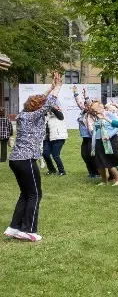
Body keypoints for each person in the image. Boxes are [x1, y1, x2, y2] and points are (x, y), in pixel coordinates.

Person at [5, 74, 60, 242]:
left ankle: (14, 228)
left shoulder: (24, 114)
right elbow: (48, 103)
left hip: (16, 159)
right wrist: (58, 86)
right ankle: (29, 230)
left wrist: (50, 88)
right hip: (26, 159)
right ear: (38, 108)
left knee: (25, 193)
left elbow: (42, 101)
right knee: (35, 194)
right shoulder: (34, 115)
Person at [88, 99, 118, 187]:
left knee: (109, 161)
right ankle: (104, 181)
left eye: (94, 109)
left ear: (101, 106)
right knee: (99, 161)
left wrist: (109, 135)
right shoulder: (97, 116)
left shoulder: (110, 114)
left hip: (109, 140)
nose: (93, 111)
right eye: (92, 109)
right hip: (99, 141)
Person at [72, 87, 100, 179]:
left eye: (87, 105)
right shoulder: (83, 112)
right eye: (84, 104)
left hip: (92, 136)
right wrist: (76, 93)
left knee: (91, 155)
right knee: (84, 155)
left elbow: (88, 104)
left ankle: (97, 173)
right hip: (85, 137)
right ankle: (91, 172)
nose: (84, 105)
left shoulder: (92, 113)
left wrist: (85, 95)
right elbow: (79, 103)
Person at [42, 102, 68, 176]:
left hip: (58, 138)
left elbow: (55, 111)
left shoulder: (60, 114)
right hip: (48, 138)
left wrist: (51, 106)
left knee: (55, 155)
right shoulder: (47, 116)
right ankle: (52, 169)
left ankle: (62, 171)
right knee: (45, 154)